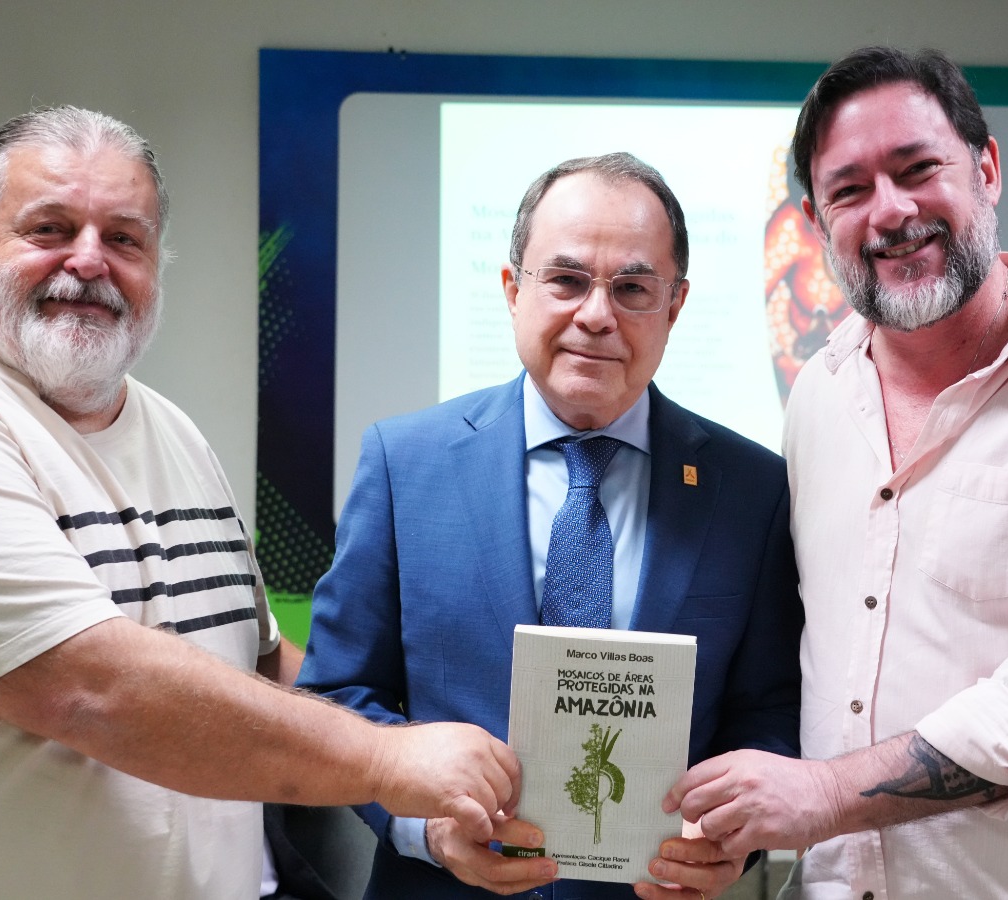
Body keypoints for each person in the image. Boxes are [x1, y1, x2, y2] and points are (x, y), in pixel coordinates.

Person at [0, 106, 520, 900]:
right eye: (49, 228)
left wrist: (427, 804)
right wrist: (390, 759)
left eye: (124, 238)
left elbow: (255, 665)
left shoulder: (171, 431)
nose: (89, 260)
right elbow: (97, 690)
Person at [662, 48, 1008, 898]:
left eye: (918, 169)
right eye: (849, 190)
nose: (890, 210)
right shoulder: (820, 394)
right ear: (816, 222)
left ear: (986, 170)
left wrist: (824, 797)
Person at [298, 152, 802, 900]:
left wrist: (734, 840)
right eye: (566, 280)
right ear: (513, 290)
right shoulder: (405, 464)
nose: (596, 315)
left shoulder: (751, 489)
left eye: (632, 288)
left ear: (674, 306)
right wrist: (426, 828)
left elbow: (769, 712)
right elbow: (336, 695)